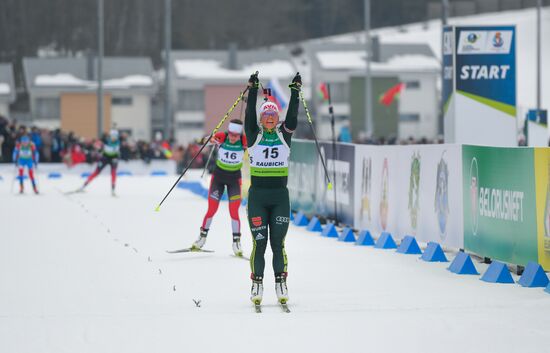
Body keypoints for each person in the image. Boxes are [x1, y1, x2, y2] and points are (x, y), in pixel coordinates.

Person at [244, 72, 301, 306]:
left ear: (277, 119)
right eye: (266, 115)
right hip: (258, 197)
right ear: (261, 118)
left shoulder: (284, 135)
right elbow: (248, 114)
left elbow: (293, 118)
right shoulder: (253, 135)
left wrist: (295, 91)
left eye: (273, 115)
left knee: (278, 244)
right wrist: (253, 89)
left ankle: (280, 282)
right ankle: (257, 283)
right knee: (260, 243)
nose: (270, 119)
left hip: (279, 198)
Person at [192, 119, 247, 257]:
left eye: (236, 135)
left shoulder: (244, 140)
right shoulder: (222, 137)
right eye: (231, 134)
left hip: (234, 179)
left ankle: (236, 243)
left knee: (234, 212)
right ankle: (201, 238)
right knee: (211, 209)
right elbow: (201, 142)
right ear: (228, 132)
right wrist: (206, 138)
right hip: (219, 178)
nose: (233, 138)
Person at [78, 129, 120, 196]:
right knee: (96, 172)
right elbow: (97, 146)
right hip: (104, 158)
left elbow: (117, 152)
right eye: (112, 136)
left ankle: (113, 190)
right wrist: (96, 148)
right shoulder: (105, 140)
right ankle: (83, 186)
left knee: (113, 173)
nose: (114, 138)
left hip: (113, 158)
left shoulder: (118, 142)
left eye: (115, 136)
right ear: (110, 136)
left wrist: (117, 158)